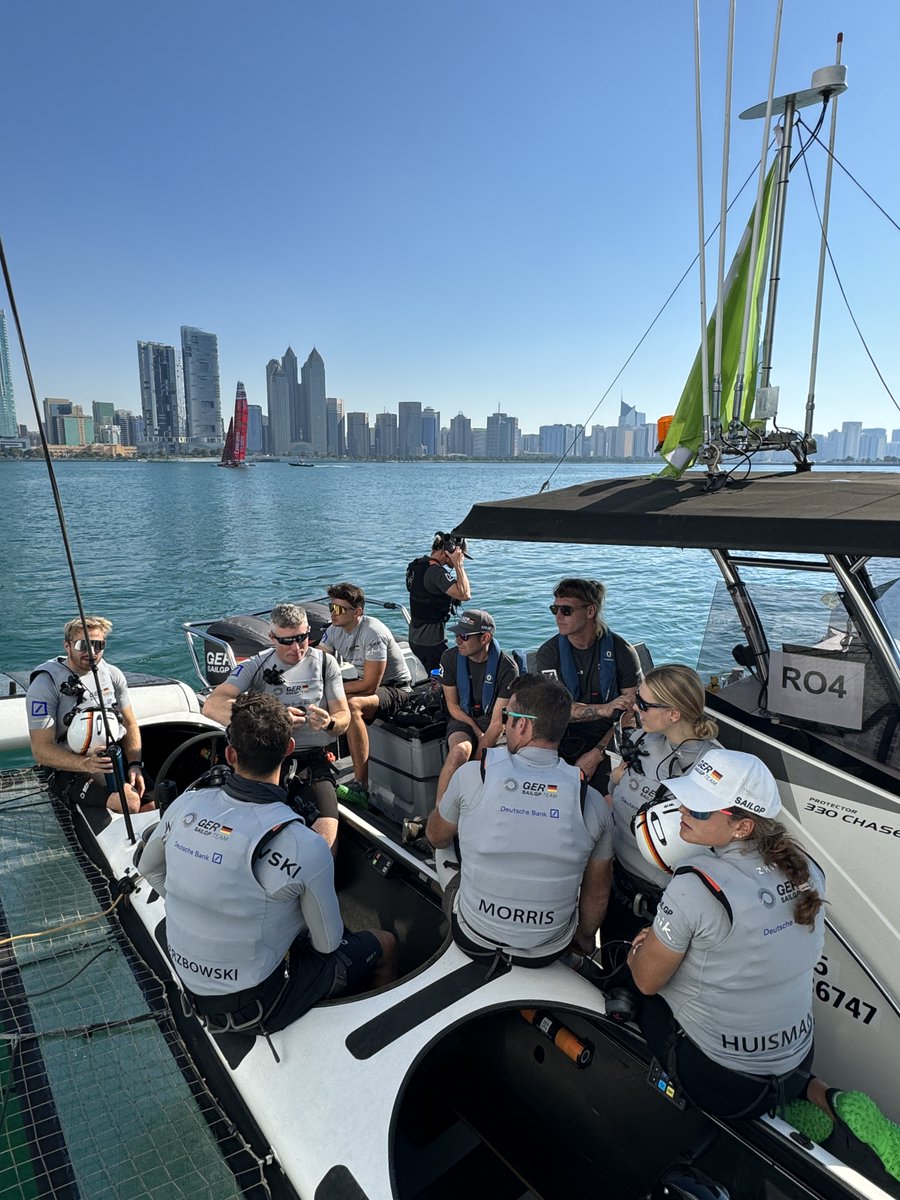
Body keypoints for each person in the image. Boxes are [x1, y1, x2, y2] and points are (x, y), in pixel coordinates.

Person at [138, 693, 396, 1036]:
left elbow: (148, 867)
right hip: (259, 1004)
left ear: (230, 755)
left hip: (192, 988)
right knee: (386, 943)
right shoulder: (304, 844)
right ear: (289, 749)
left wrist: (200, 903)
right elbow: (327, 945)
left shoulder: (186, 805)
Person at [627, 747, 826, 1120]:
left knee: (631, 980)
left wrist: (639, 949)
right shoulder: (808, 869)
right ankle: (814, 1092)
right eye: (684, 798)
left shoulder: (697, 884)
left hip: (725, 1084)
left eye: (699, 808)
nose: (683, 812)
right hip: (797, 1065)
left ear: (742, 826)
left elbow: (646, 981)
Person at [426, 674, 613, 964]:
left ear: (522, 724)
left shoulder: (473, 775)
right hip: (548, 950)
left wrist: (444, 809)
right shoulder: (592, 801)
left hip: (475, 937)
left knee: (444, 837)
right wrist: (585, 939)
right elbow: (597, 892)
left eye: (506, 716)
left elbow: (436, 837)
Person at [201, 602, 350, 848]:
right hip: (265, 758)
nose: (296, 647)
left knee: (325, 844)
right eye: (286, 641)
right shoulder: (256, 664)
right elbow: (212, 705)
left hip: (311, 758)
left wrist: (330, 722)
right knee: (249, 841)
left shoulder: (325, 663)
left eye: (302, 638)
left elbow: (344, 718)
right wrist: (275, 719)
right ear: (272, 638)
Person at [606, 665, 720, 936]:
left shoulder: (713, 771)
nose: (635, 709)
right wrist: (615, 780)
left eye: (644, 704)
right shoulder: (640, 739)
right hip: (616, 882)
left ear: (673, 714)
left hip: (658, 904)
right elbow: (617, 788)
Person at [26, 616, 148, 813]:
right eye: (83, 645)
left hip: (109, 755)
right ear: (67, 646)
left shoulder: (112, 675)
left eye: (98, 644)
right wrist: (86, 764)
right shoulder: (45, 684)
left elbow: (129, 723)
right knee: (131, 802)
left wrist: (134, 764)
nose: (91, 652)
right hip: (69, 767)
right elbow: (40, 750)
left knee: (152, 800)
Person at [535, 577, 640, 791]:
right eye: (554, 609)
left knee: (610, 794)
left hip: (609, 738)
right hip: (561, 735)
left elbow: (633, 715)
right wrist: (605, 709)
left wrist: (597, 753)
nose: (558, 617)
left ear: (590, 611)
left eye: (566, 610)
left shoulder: (623, 652)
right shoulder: (548, 653)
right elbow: (556, 712)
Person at [318, 582, 412, 805]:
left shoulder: (373, 632)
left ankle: (361, 786)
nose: (333, 613)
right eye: (331, 607)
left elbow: (370, 685)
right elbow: (318, 665)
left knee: (352, 705)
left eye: (339, 609)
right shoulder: (333, 631)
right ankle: (318, 763)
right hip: (363, 683)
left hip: (396, 688)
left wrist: (333, 689)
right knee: (317, 696)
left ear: (357, 612)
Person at [434, 608, 519, 799]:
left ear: (485, 638)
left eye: (464, 636)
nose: (457, 640)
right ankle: (440, 812)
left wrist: (479, 752)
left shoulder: (507, 668)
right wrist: (473, 727)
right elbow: (453, 706)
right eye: (457, 634)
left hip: (493, 721)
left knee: (482, 762)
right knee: (458, 753)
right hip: (463, 716)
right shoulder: (450, 658)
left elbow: (499, 723)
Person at [406, 531, 472, 672]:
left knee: (437, 676)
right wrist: (459, 565)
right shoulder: (435, 572)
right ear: (449, 550)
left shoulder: (417, 565)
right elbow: (465, 594)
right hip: (431, 642)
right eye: (459, 554)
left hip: (415, 637)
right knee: (447, 678)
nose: (460, 558)